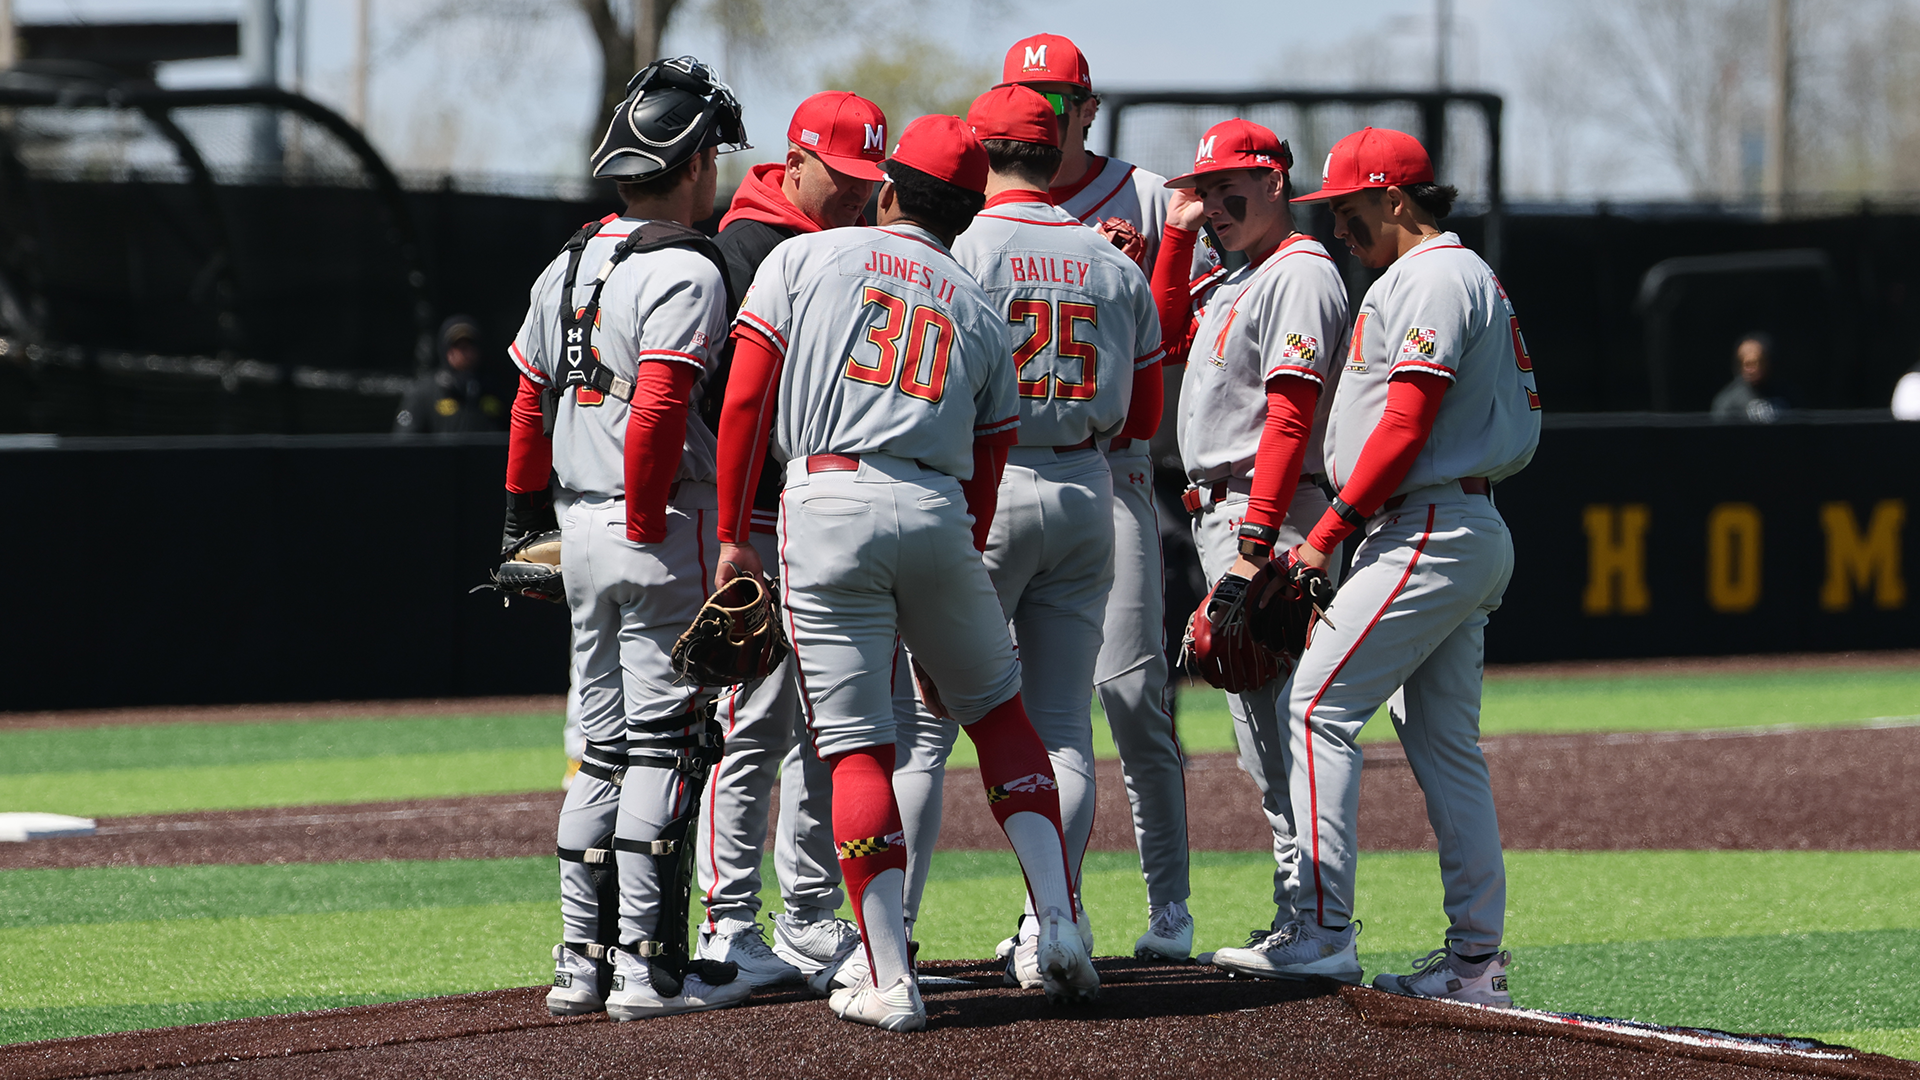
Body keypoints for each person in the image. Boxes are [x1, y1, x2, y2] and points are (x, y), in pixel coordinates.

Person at [713, 114, 1098, 1031]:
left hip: (828, 503)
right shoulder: (975, 302)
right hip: (938, 511)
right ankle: (1060, 922)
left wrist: (731, 532)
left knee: (858, 748)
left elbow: (744, 393)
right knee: (1002, 715)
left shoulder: (809, 260)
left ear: (888, 189)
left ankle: (888, 978)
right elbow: (992, 458)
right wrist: (950, 575)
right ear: (966, 217)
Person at [1243, 127, 1539, 1001]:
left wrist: (1321, 538)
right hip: (1455, 521)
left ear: (1396, 200)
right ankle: (1475, 962)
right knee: (1446, 747)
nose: (1337, 228)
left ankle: (1322, 929)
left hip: (1431, 524)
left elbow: (1407, 425)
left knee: (1313, 708)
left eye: (1348, 209)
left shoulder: (1436, 276)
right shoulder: (1438, 275)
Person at [891, 84, 1161, 987]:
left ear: (982, 147)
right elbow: (1144, 414)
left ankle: (891, 937)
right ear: (1060, 149)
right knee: (1063, 732)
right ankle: (1056, 926)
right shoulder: (1115, 259)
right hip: (1088, 487)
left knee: (927, 728)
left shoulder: (963, 247)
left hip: (985, 484)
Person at [504, 55, 753, 1022]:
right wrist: (651, 521)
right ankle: (647, 971)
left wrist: (524, 523)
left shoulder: (563, 261)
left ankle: (578, 964)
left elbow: (529, 402)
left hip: (575, 522)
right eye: (713, 155)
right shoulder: (687, 264)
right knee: (666, 747)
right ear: (689, 162)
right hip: (656, 524)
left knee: (598, 750)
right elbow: (658, 407)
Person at [987, 29, 1201, 963]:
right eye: (1032, 96)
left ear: (1088, 106)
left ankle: (1168, 913)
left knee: (1135, 694)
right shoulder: (983, 202)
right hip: (1004, 470)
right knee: (1003, 709)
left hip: (1110, 468)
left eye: (1063, 98)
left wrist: (1148, 265)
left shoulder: (1146, 196)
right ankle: (1049, 909)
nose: (1051, 111)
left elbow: (1182, 334)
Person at [692, 90, 889, 990]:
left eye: (868, 182)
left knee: (827, 722)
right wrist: (732, 526)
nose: (856, 194)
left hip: (825, 513)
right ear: (795, 160)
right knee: (753, 721)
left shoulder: (839, 248)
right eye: (842, 178)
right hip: (763, 515)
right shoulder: (742, 251)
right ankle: (727, 920)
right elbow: (716, 400)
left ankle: (806, 912)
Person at [1146, 119, 1351, 972]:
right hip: (1222, 514)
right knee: (1259, 733)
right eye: (1203, 186)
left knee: (1282, 727)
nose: (1214, 202)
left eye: (1230, 186)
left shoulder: (1299, 272)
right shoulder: (1233, 276)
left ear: (1275, 181)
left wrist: (1258, 540)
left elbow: (1293, 413)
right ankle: (1298, 915)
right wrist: (1173, 236)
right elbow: (1155, 343)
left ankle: (1318, 923)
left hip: (1272, 516)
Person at [394, 315, 504, 433]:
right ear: (444, 349)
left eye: (469, 344)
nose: (463, 352)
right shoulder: (424, 392)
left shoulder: (496, 390)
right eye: (457, 345)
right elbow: (405, 442)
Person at [1710, 332, 1788, 423]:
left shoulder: (1787, 394)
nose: (1751, 370)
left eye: (1757, 362)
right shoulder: (1729, 401)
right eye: (1746, 364)